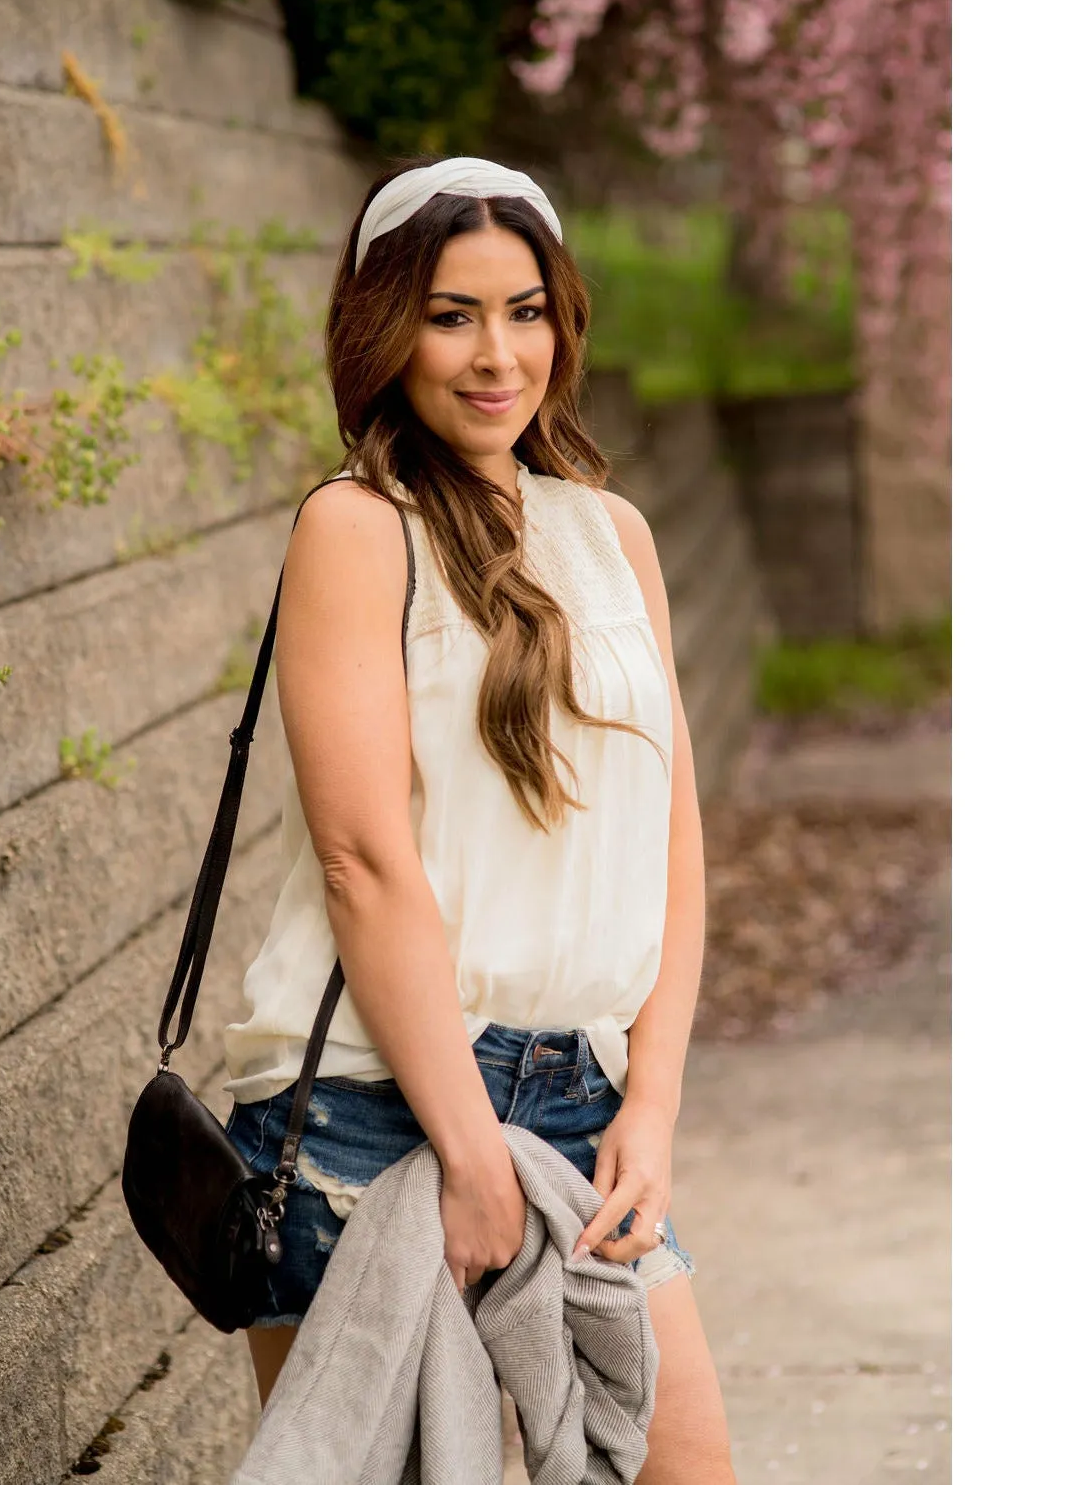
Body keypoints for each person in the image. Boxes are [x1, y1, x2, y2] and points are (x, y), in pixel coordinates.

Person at [220, 156, 736, 1482]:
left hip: (586, 1099)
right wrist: (462, 1144)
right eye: (450, 314)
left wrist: (653, 1099)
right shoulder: (354, 527)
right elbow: (362, 858)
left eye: (524, 310)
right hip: (371, 1109)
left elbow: (669, 834)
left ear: (563, 322)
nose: (494, 353)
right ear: (385, 327)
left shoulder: (612, 534)